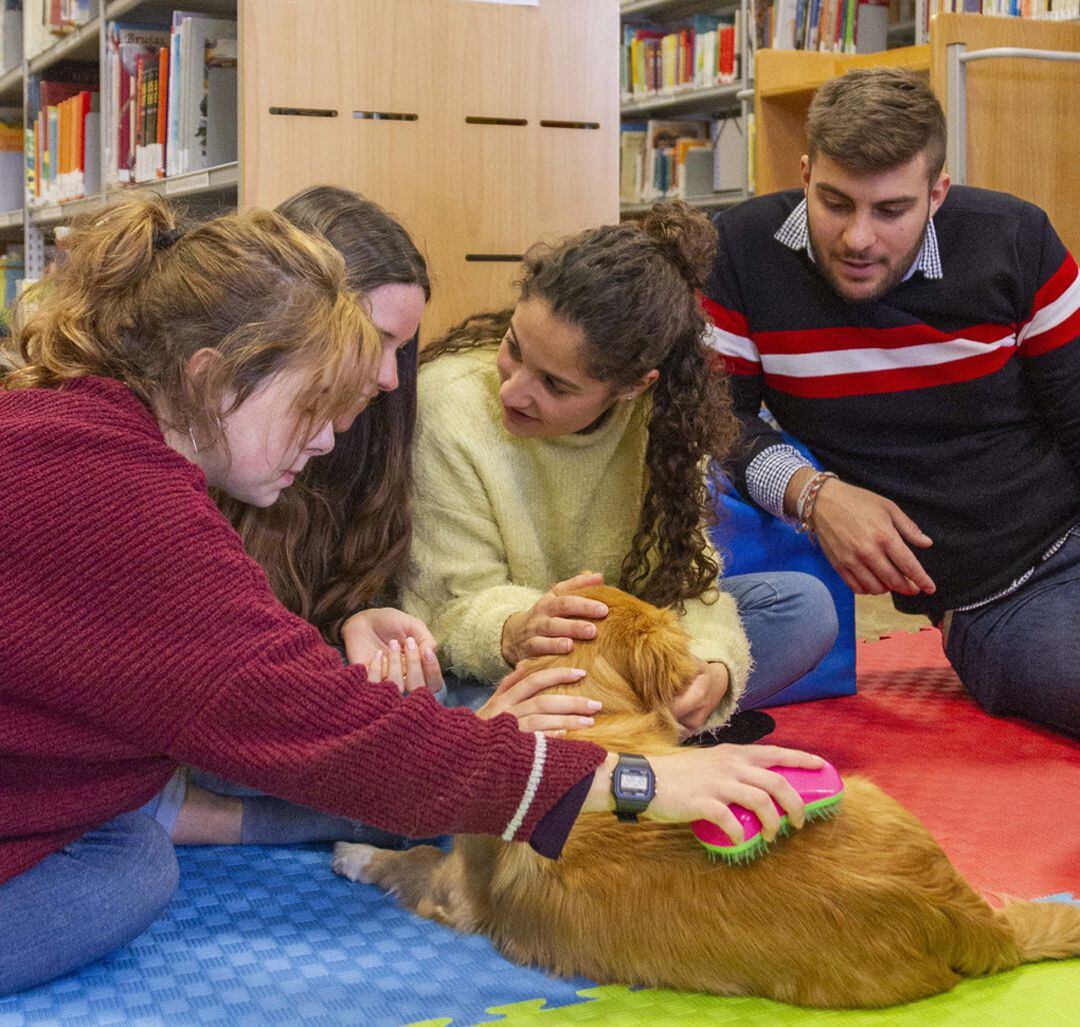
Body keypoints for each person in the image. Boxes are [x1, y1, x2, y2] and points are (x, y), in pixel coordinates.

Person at [0, 194, 826, 995]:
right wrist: (635, 780)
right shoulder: (130, 506)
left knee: (129, 852)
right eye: (311, 406)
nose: (328, 437)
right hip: (383, 714)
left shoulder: (68, 426)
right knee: (128, 873)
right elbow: (324, 723)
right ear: (213, 375)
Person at [703, 68, 1080, 737]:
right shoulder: (739, 251)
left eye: (891, 210)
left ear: (937, 193)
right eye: (835, 202)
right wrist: (810, 493)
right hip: (1004, 599)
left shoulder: (1016, 239)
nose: (857, 239)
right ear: (805, 171)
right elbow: (713, 418)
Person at [404, 202, 839, 737]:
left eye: (556, 385)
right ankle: (634, 738)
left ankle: (608, 742)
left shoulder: (666, 424)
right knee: (439, 701)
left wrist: (713, 669)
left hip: (619, 656)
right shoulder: (447, 405)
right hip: (506, 664)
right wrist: (517, 629)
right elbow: (451, 610)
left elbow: (687, 581)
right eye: (514, 348)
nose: (513, 391)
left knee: (803, 609)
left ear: (634, 386)